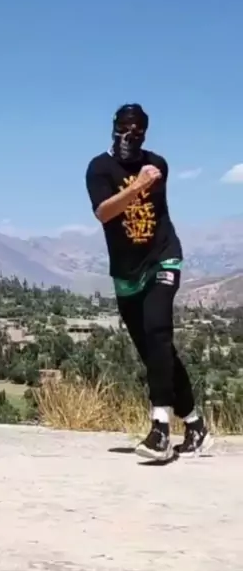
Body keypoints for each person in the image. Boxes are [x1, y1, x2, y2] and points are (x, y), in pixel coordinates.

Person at [85, 103, 212, 461]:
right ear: (114, 127)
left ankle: (160, 430)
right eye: (125, 127)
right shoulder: (99, 168)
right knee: (155, 351)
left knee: (158, 332)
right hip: (127, 272)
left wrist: (146, 178)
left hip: (163, 257)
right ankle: (195, 424)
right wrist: (139, 184)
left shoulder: (158, 165)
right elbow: (104, 212)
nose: (130, 135)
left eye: (138, 130)